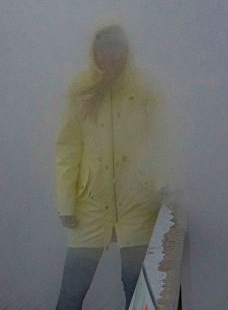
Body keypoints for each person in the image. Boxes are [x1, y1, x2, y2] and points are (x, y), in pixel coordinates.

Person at [54, 21, 174, 310]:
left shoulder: (144, 87)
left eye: (115, 47)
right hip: (90, 203)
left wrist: (163, 184)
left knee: (136, 289)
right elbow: (68, 147)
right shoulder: (80, 88)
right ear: (93, 50)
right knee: (72, 290)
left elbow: (161, 138)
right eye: (103, 47)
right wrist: (66, 200)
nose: (109, 54)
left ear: (126, 49)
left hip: (137, 201)